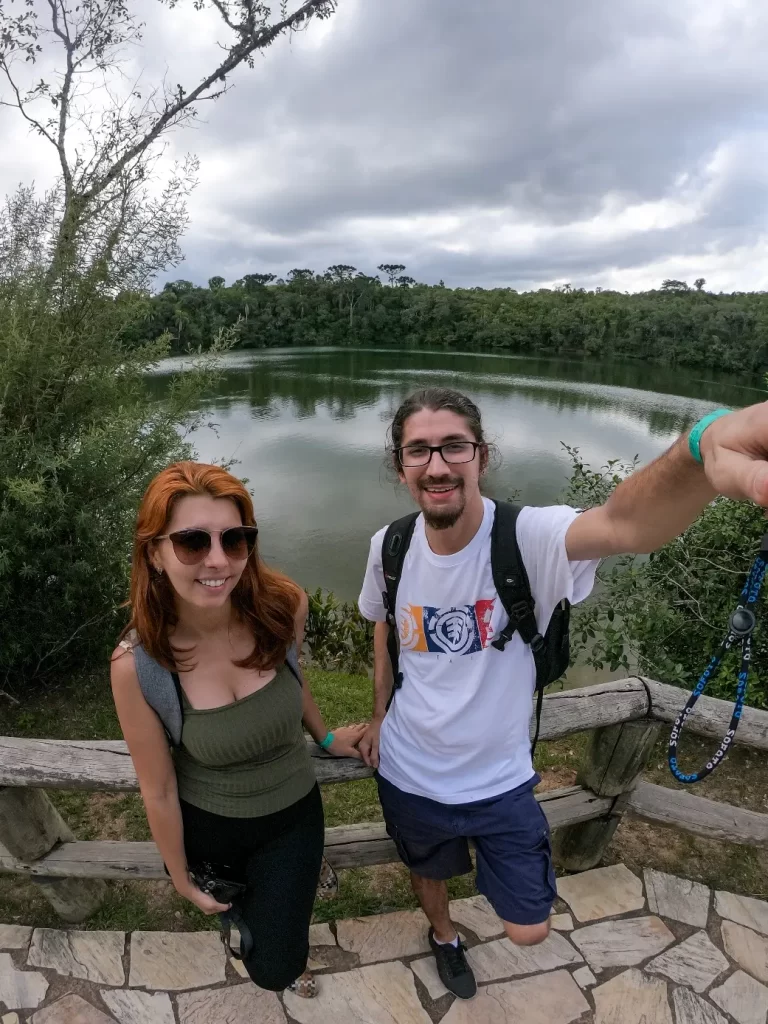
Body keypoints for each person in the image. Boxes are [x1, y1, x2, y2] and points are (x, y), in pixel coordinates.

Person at [358, 388, 768, 1000]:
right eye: (419, 450)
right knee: (428, 872)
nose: (437, 465)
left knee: (529, 928)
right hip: (409, 770)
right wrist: (376, 717)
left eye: (454, 447)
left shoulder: (528, 537)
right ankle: (443, 935)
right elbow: (385, 630)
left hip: (500, 780)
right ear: (400, 465)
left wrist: (697, 446)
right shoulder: (388, 546)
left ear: (482, 456)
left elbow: (626, 523)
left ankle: (488, 902)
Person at [111, 461, 366, 998]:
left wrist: (323, 738)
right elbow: (157, 788)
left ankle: (264, 931)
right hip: (211, 827)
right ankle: (240, 916)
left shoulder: (282, 608)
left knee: (275, 966)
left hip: (292, 817)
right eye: (191, 542)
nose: (218, 560)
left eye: (236, 539)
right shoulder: (139, 666)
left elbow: (293, 683)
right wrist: (180, 877)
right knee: (235, 909)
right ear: (154, 554)